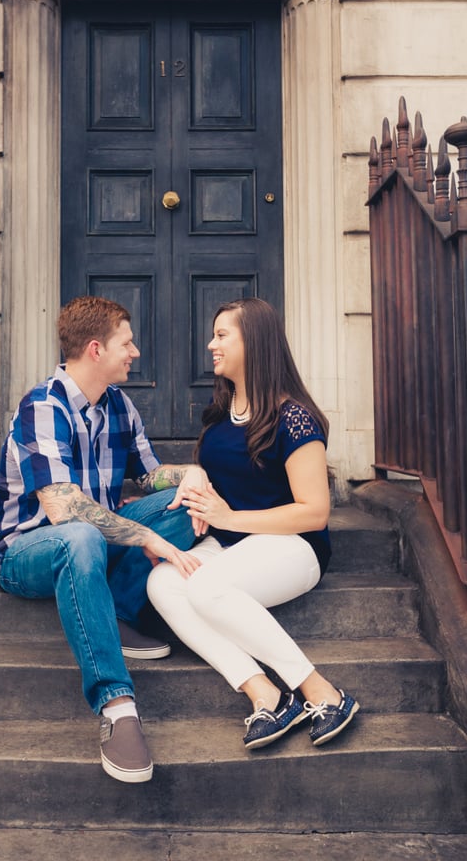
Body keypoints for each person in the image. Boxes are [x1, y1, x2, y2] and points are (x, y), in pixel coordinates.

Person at [0, 296, 207, 783]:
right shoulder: (43, 407)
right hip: (28, 552)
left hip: (94, 539)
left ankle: (118, 613)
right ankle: (117, 707)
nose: (136, 353)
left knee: (192, 507)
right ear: (94, 349)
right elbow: (62, 509)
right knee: (80, 535)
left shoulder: (118, 406)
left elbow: (149, 478)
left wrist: (189, 475)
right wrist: (144, 535)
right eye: (127, 343)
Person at [147, 297, 359, 750]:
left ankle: (321, 692)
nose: (211, 345)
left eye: (222, 335)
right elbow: (220, 483)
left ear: (255, 343)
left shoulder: (294, 418)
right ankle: (263, 693)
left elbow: (315, 510)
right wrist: (193, 475)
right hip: (229, 545)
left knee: (204, 588)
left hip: (292, 546)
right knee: (163, 582)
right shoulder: (222, 416)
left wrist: (231, 517)